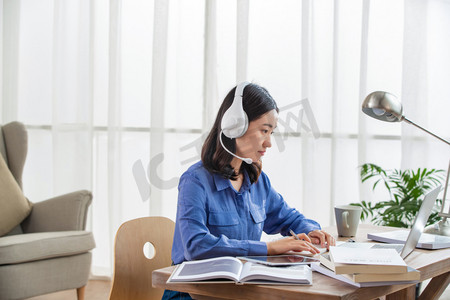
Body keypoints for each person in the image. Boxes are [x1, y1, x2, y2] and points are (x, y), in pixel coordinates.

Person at [162, 82, 335, 300]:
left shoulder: (257, 181)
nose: (269, 142)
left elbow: (288, 218)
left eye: (271, 132)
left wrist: (310, 231)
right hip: (192, 295)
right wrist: (268, 248)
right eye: (264, 130)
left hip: (238, 292)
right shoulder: (195, 181)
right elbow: (196, 246)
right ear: (235, 126)